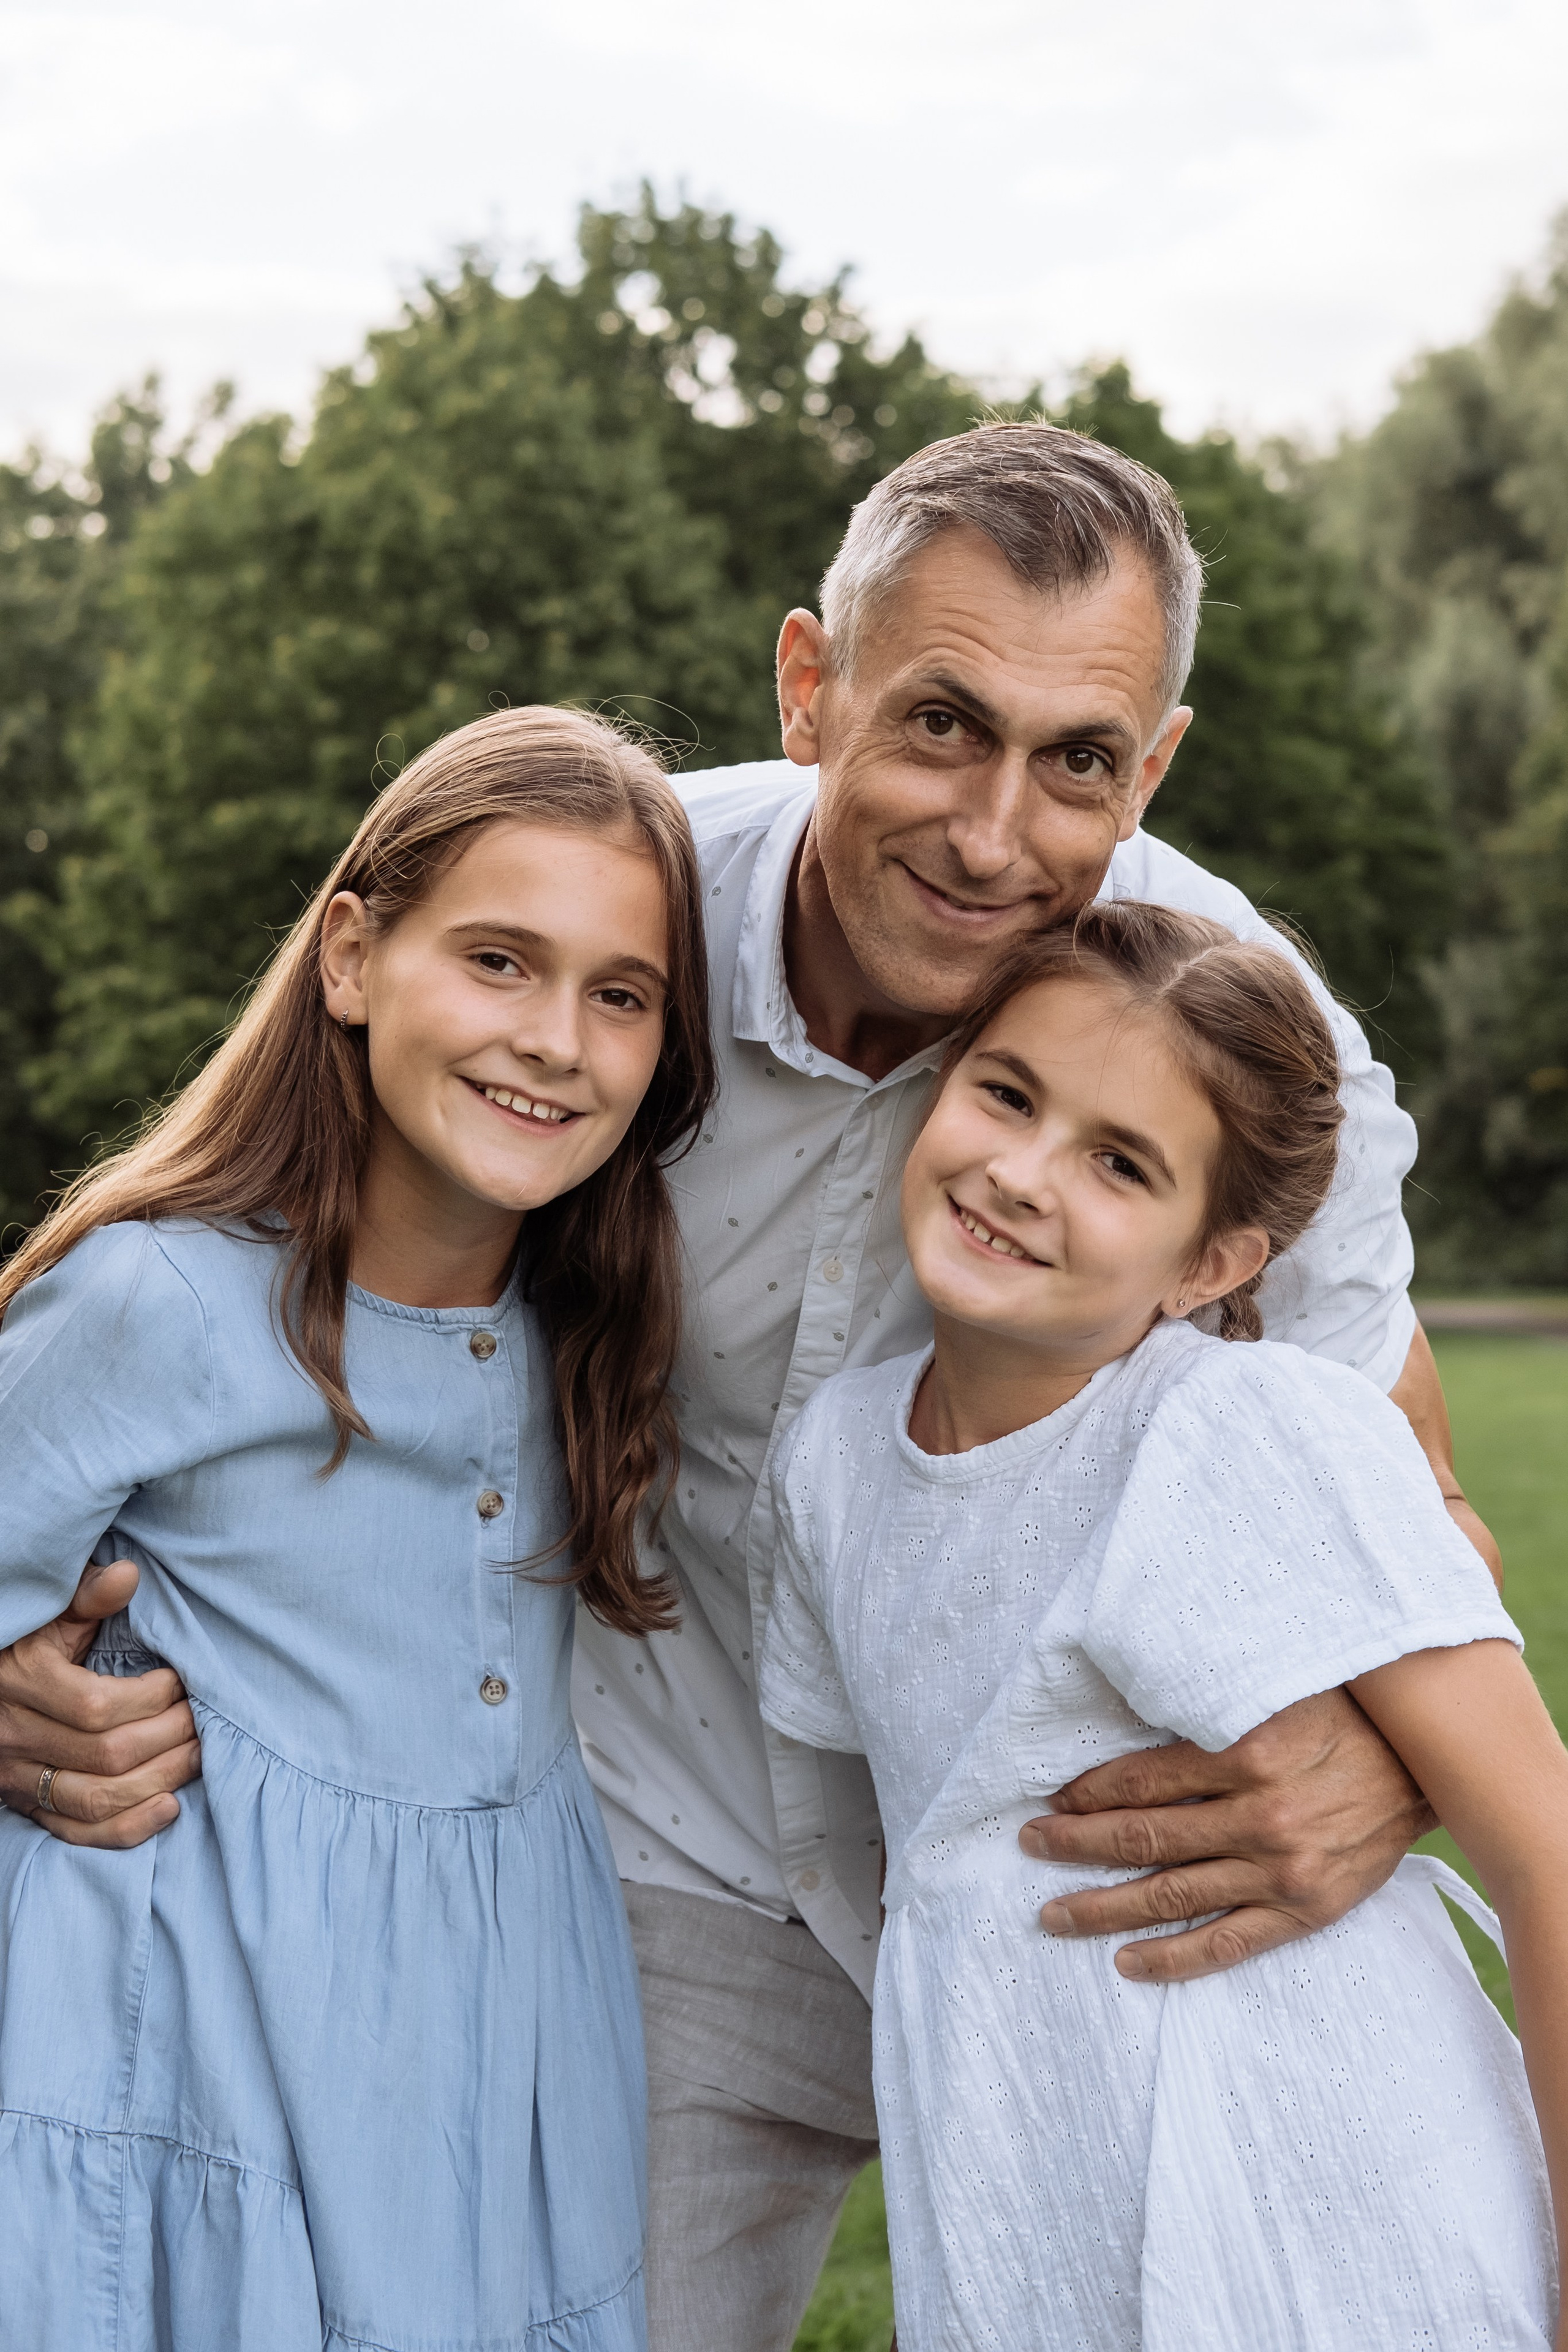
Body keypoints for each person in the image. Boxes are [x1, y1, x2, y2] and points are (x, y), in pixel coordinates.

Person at [0, 426, 1499, 2351]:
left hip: (1100, 1907)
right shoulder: (619, 935)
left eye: (1080, 761)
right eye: (941, 723)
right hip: (662, 1877)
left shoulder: (1234, 1037)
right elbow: (305, 1284)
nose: (994, 835)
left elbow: (1412, 1514)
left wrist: (1387, 1773)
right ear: (811, 685)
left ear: (1155, 768)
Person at [0, 707, 716, 2351]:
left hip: (504, 2044)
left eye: (621, 995)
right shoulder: (158, 1298)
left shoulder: (589, 1332)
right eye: (497, 961)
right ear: (349, 959)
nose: (555, 1039)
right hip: (188, 2061)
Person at [760, 900, 1561, 2350]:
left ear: (1209, 1265)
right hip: (1028, 2192)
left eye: (1118, 1163)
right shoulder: (832, 1459)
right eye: (1006, 1094)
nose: (1019, 1174)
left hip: (1325, 2217)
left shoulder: (1238, 1428)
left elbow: (1541, 1847)